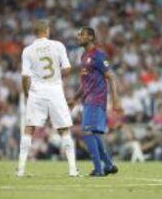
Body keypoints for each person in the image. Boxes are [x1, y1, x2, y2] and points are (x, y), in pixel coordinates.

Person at [16, 20, 78, 177]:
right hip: (55, 90)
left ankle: (21, 169)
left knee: (30, 127)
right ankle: (72, 169)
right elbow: (67, 68)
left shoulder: (28, 50)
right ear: (47, 30)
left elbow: (25, 77)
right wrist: (57, 76)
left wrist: (26, 93)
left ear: (34, 32)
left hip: (37, 91)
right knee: (63, 128)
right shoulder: (58, 45)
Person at [69, 27, 122, 176]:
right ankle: (109, 165)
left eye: (82, 35)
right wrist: (75, 98)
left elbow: (111, 76)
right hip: (87, 99)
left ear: (91, 37)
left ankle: (99, 170)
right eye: (78, 34)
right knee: (93, 134)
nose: (79, 37)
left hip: (96, 98)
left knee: (86, 132)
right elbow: (85, 82)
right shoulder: (84, 56)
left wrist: (116, 99)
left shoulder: (98, 56)